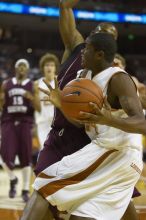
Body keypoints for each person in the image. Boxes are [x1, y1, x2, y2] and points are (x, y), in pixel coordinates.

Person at [21, 0, 139, 219]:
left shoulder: (112, 73)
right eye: (99, 32)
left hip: (97, 145)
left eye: (110, 35)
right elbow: (65, 8)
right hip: (64, 137)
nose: (104, 36)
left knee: (121, 205)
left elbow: (135, 110)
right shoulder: (77, 52)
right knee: (49, 195)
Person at [0, 59, 40, 202]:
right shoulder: (6, 84)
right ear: (16, 68)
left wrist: (32, 98)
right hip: (8, 121)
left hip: (25, 122)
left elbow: (38, 108)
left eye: (25, 66)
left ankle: (24, 189)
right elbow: (1, 104)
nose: (22, 68)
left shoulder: (32, 85)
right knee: (4, 155)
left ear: (28, 69)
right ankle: (13, 179)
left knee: (25, 157)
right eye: (20, 66)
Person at [35, 53, 60, 149]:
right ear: (42, 68)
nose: (49, 67)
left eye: (52, 65)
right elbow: (37, 108)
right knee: (44, 149)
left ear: (55, 67)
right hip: (43, 121)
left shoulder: (60, 81)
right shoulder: (36, 84)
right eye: (47, 65)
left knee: (58, 150)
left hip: (57, 121)